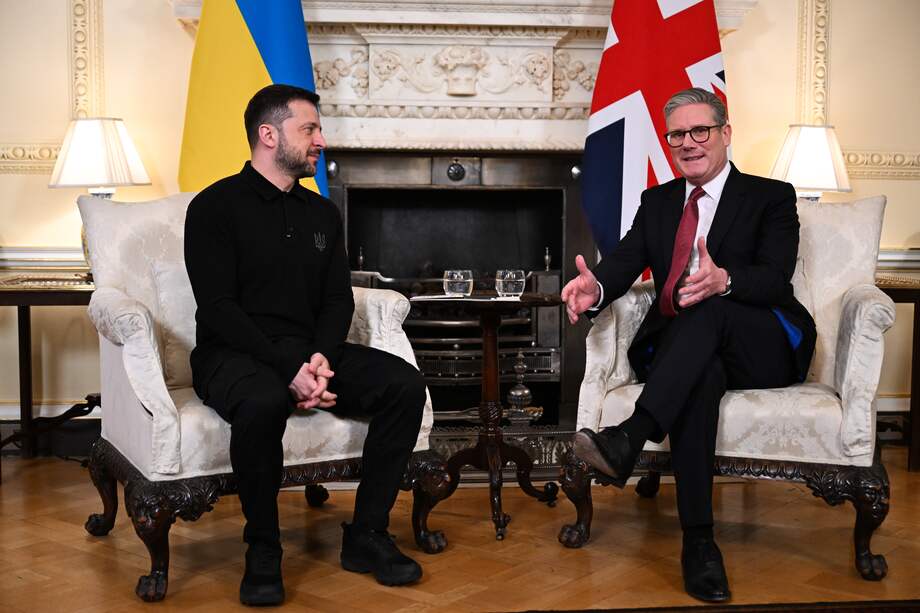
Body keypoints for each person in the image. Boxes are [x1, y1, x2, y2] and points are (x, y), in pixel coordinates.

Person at [561, 87, 816, 603]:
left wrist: (725, 280)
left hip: (761, 341)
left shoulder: (770, 196)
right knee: (700, 378)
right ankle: (700, 545)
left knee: (713, 306)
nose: (688, 142)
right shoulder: (657, 202)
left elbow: (774, 279)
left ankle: (629, 436)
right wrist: (596, 290)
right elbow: (623, 262)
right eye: (677, 133)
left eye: (700, 130)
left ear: (725, 134)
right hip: (685, 351)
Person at [185, 84, 427, 606]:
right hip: (233, 355)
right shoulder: (213, 207)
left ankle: (366, 535)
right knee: (264, 400)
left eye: (318, 128)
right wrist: (290, 369)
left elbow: (337, 300)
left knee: (404, 385)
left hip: (308, 352)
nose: (321, 140)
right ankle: (263, 547)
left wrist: (318, 359)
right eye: (309, 129)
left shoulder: (321, 214)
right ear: (268, 135)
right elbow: (219, 309)